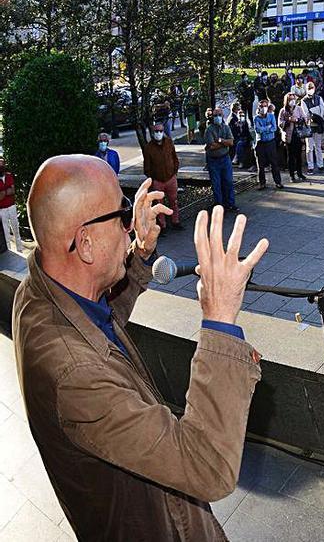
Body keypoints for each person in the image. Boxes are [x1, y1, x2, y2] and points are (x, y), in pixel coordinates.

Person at [15, 155, 268, 540]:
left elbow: (98, 324)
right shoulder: (76, 377)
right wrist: (219, 319)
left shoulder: (38, 291)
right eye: (121, 215)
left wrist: (137, 254)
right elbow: (208, 466)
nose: (129, 225)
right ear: (84, 242)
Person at [139, 123, 184, 231]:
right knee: (159, 203)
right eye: (156, 131)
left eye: (160, 131)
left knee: (174, 201)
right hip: (158, 181)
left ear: (163, 132)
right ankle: (162, 225)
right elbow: (147, 167)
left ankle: (175, 221)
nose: (158, 133)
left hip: (171, 178)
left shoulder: (169, 142)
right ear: (153, 133)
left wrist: (174, 171)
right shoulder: (149, 148)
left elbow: (174, 157)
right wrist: (153, 179)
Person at [204, 108, 236, 211]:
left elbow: (231, 142)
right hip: (213, 160)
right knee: (216, 183)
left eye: (219, 115)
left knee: (229, 181)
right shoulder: (209, 129)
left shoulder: (226, 128)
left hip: (225, 158)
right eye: (215, 115)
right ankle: (219, 204)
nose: (217, 117)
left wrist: (220, 140)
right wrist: (224, 143)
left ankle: (230, 203)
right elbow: (211, 146)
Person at [250, 101, 283, 190]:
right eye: (262, 106)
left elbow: (274, 128)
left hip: (270, 142)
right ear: (259, 107)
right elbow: (258, 130)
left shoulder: (271, 116)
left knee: (274, 163)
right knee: (260, 165)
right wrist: (267, 127)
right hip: (260, 143)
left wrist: (264, 128)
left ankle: (278, 182)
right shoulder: (256, 118)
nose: (263, 108)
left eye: (265, 106)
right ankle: (262, 183)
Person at [279, 93, 308, 183]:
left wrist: (296, 120)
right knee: (290, 156)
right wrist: (288, 121)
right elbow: (280, 123)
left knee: (299, 156)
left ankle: (299, 173)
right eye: (290, 99)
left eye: (293, 99)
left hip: (298, 135)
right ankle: (292, 175)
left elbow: (304, 119)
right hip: (289, 136)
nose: (292, 101)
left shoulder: (299, 108)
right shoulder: (283, 111)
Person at [302, 82, 324, 174]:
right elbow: (306, 114)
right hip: (309, 126)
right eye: (309, 87)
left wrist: (315, 113)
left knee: (318, 146)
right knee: (309, 148)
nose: (311, 89)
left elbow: (323, 109)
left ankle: (320, 165)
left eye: (312, 87)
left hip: (318, 125)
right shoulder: (303, 100)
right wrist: (315, 111)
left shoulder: (319, 98)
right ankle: (310, 166)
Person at [0, 156, 21, 252]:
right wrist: (6, 191)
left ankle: (19, 250)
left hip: (12, 206)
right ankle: (10, 252)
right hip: (2, 209)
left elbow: (12, 191)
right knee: (6, 232)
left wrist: (3, 192)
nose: (1, 166)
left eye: (2, 163)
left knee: (16, 229)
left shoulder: (9, 176)